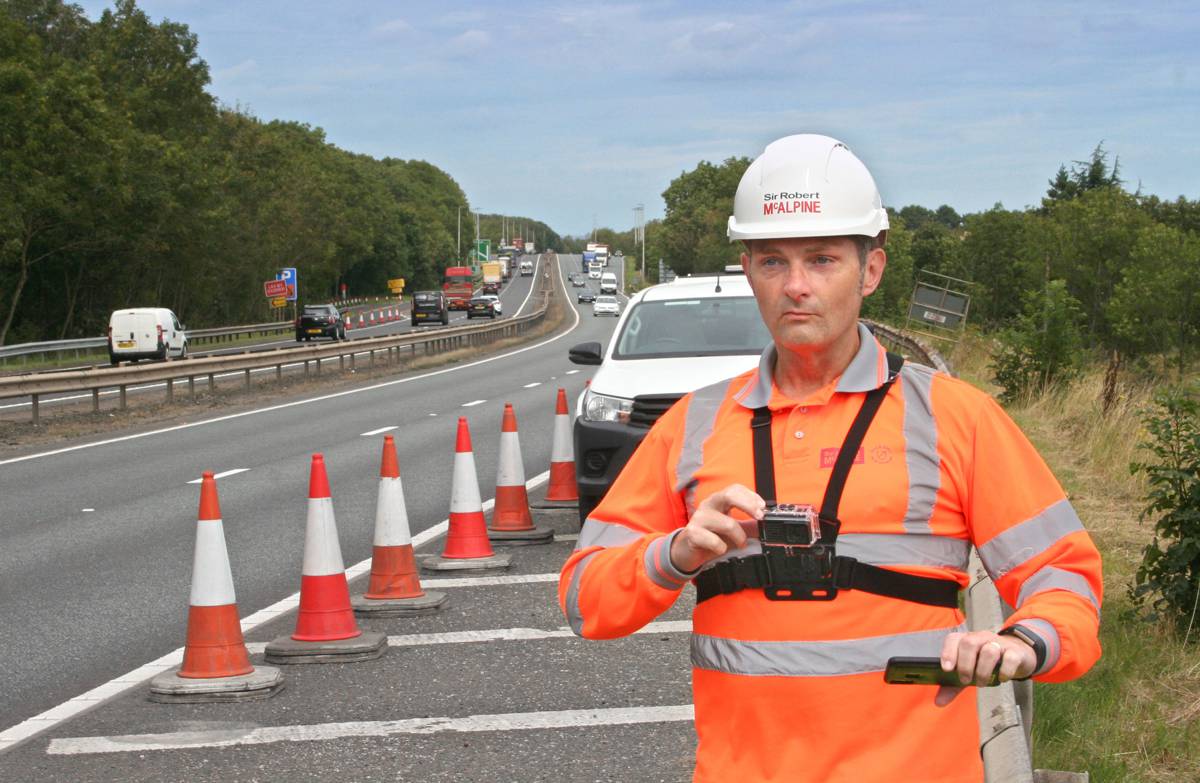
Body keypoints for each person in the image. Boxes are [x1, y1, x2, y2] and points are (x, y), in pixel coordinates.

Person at [557, 134, 1103, 782]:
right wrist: (672, 553)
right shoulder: (694, 424)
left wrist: (1025, 640)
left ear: (871, 270)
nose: (795, 287)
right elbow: (584, 599)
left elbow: (1065, 577)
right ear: (747, 269)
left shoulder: (954, 417)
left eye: (821, 260)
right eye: (772, 262)